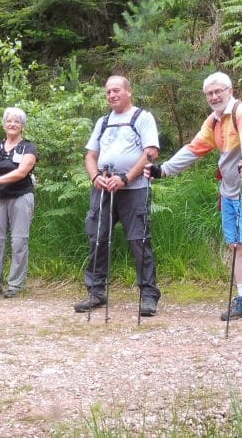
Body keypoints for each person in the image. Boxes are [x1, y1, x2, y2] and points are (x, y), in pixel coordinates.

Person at [145, 73, 242, 323]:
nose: (214, 96)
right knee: (237, 245)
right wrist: (163, 169)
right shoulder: (214, 121)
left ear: (230, 90)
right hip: (229, 189)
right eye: (209, 93)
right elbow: (193, 148)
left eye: (218, 91)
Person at [75, 76, 162, 317]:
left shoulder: (142, 118)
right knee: (97, 238)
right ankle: (96, 291)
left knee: (139, 240)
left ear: (128, 92)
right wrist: (95, 178)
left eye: (116, 91)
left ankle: (148, 294)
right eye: (108, 92)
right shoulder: (103, 122)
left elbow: (151, 152)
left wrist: (125, 178)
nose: (112, 95)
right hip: (103, 187)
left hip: (134, 190)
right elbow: (91, 155)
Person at [0, 107, 38, 299]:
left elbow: (22, 172)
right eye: (9, 121)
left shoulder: (28, 147)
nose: (12, 124)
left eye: (17, 122)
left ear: (22, 127)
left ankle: (16, 285)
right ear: (3, 124)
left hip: (21, 196)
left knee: (19, 241)